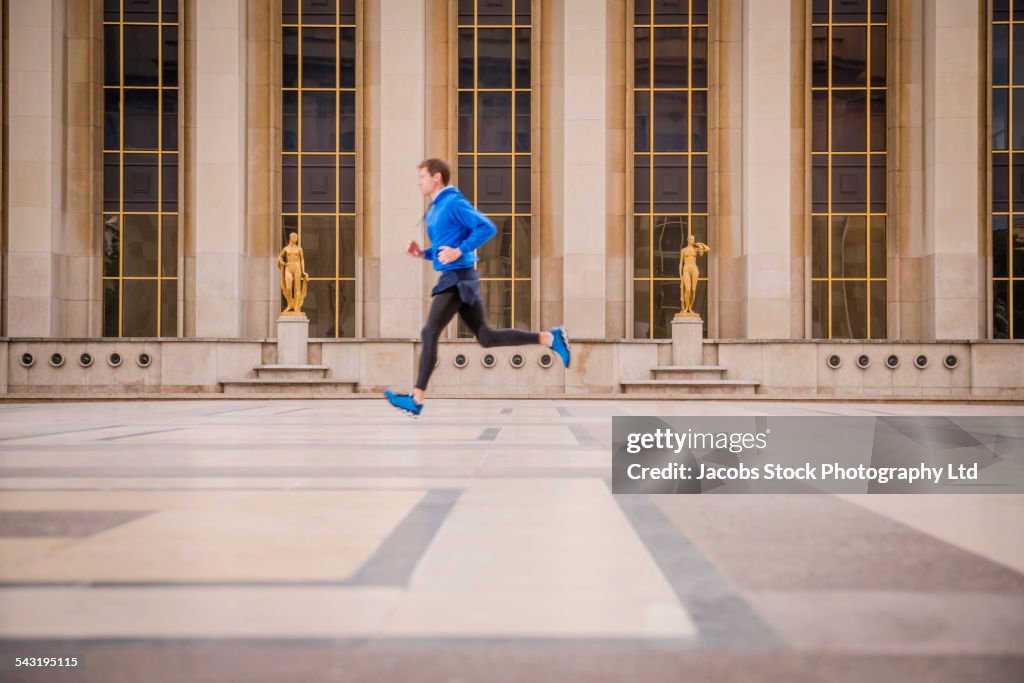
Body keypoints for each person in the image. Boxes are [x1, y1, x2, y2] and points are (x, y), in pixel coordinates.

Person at [385, 158, 570, 417]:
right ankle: (550, 338)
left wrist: (460, 250)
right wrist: (422, 254)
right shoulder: (437, 207)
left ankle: (417, 399)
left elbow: (487, 227)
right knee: (486, 337)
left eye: (423, 177)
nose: (419, 182)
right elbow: (444, 248)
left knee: (429, 332)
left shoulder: (452, 202)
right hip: (457, 276)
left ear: (437, 177)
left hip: (457, 278)